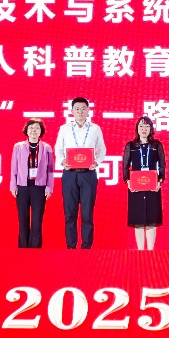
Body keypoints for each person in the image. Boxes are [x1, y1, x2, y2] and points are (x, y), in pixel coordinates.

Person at [53, 97, 107, 249]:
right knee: (70, 213)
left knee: (87, 214)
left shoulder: (95, 128)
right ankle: (71, 247)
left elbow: (102, 149)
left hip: (88, 174)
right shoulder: (64, 129)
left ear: (88, 110)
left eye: (83, 108)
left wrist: (96, 162)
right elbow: (58, 149)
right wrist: (63, 161)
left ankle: (86, 247)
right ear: (72, 111)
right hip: (69, 174)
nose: (80, 111)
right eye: (77, 109)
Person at [9, 118, 54, 248]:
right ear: (27, 131)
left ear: (41, 131)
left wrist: (49, 187)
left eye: (37, 128)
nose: (34, 130)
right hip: (22, 187)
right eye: (31, 128)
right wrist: (13, 185)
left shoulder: (46, 148)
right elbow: (14, 167)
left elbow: (50, 169)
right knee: (23, 220)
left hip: (39, 188)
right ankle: (23, 249)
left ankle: (35, 250)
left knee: (37, 221)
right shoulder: (18, 147)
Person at [123, 115, 165, 250]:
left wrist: (160, 181)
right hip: (136, 187)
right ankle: (140, 252)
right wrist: (128, 181)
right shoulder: (131, 146)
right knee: (138, 221)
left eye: (147, 126)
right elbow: (125, 166)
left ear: (151, 129)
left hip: (153, 186)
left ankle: (150, 252)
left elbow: (162, 165)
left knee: (152, 220)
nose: (144, 129)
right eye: (141, 126)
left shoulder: (156, 145)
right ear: (137, 128)